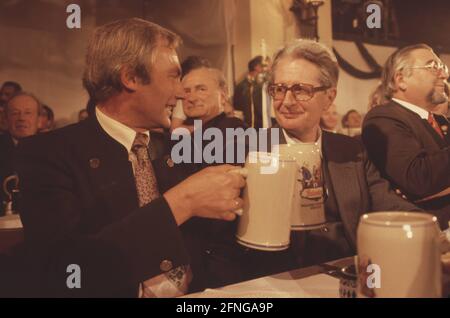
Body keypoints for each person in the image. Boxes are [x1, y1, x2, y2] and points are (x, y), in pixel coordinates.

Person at [14, 18, 245, 297]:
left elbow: (219, 243)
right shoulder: (47, 154)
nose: (181, 93)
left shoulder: (183, 146)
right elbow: (65, 271)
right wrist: (180, 204)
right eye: (173, 76)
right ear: (131, 78)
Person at [240, 39, 421, 280]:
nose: (287, 101)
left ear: (329, 97)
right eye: (279, 89)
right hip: (279, 281)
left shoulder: (351, 151)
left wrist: (435, 228)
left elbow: (388, 205)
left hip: (350, 275)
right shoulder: (250, 150)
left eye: (301, 90)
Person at [362, 44, 450, 229]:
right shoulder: (383, 117)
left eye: (443, 68)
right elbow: (417, 179)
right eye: (433, 67)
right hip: (422, 232)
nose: (444, 75)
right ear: (401, 79)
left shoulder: (439, 120)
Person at [0, 92, 41, 215]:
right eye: (15, 113)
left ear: (39, 120)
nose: (21, 118)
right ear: (5, 120)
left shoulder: (56, 151)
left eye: (28, 113)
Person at [233, 56, 265, 128]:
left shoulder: (262, 87)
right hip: (246, 128)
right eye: (262, 66)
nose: (263, 69)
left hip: (261, 127)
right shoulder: (240, 87)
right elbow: (237, 109)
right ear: (256, 67)